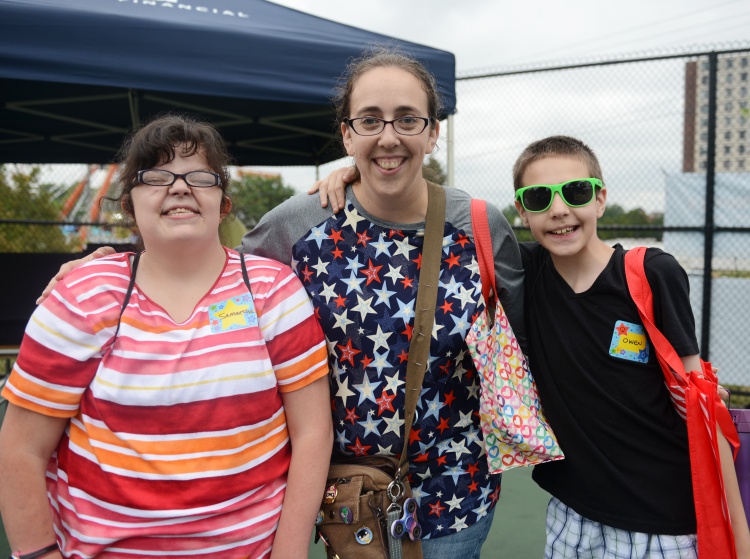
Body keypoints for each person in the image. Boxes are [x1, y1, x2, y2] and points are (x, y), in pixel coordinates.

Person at [33, 47, 526, 558]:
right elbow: (210, 271)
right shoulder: (298, 223)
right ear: (346, 133)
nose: (388, 136)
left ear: (432, 132)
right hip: (344, 500)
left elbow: (527, 331)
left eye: (407, 119)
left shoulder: (481, 226)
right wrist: (117, 267)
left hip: (456, 494)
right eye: (369, 120)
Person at [0, 114, 333, 559]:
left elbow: (312, 431)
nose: (179, 187)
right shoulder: (84, 297)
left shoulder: (273, 291)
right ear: (129, 204)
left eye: (200, 176)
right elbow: (21, 447)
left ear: (223, 202)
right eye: (156, 176)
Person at [512, 135, 750, 558]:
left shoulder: (652, 273)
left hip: (661, 525)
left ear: (600, 199)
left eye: (576, 191)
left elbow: (701, 405)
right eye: (538, 197)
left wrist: (738, 538)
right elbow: (447, 215)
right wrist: (355, 170)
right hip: (571, 516)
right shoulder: (526, 272)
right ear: (522, 211)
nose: (560, 209)